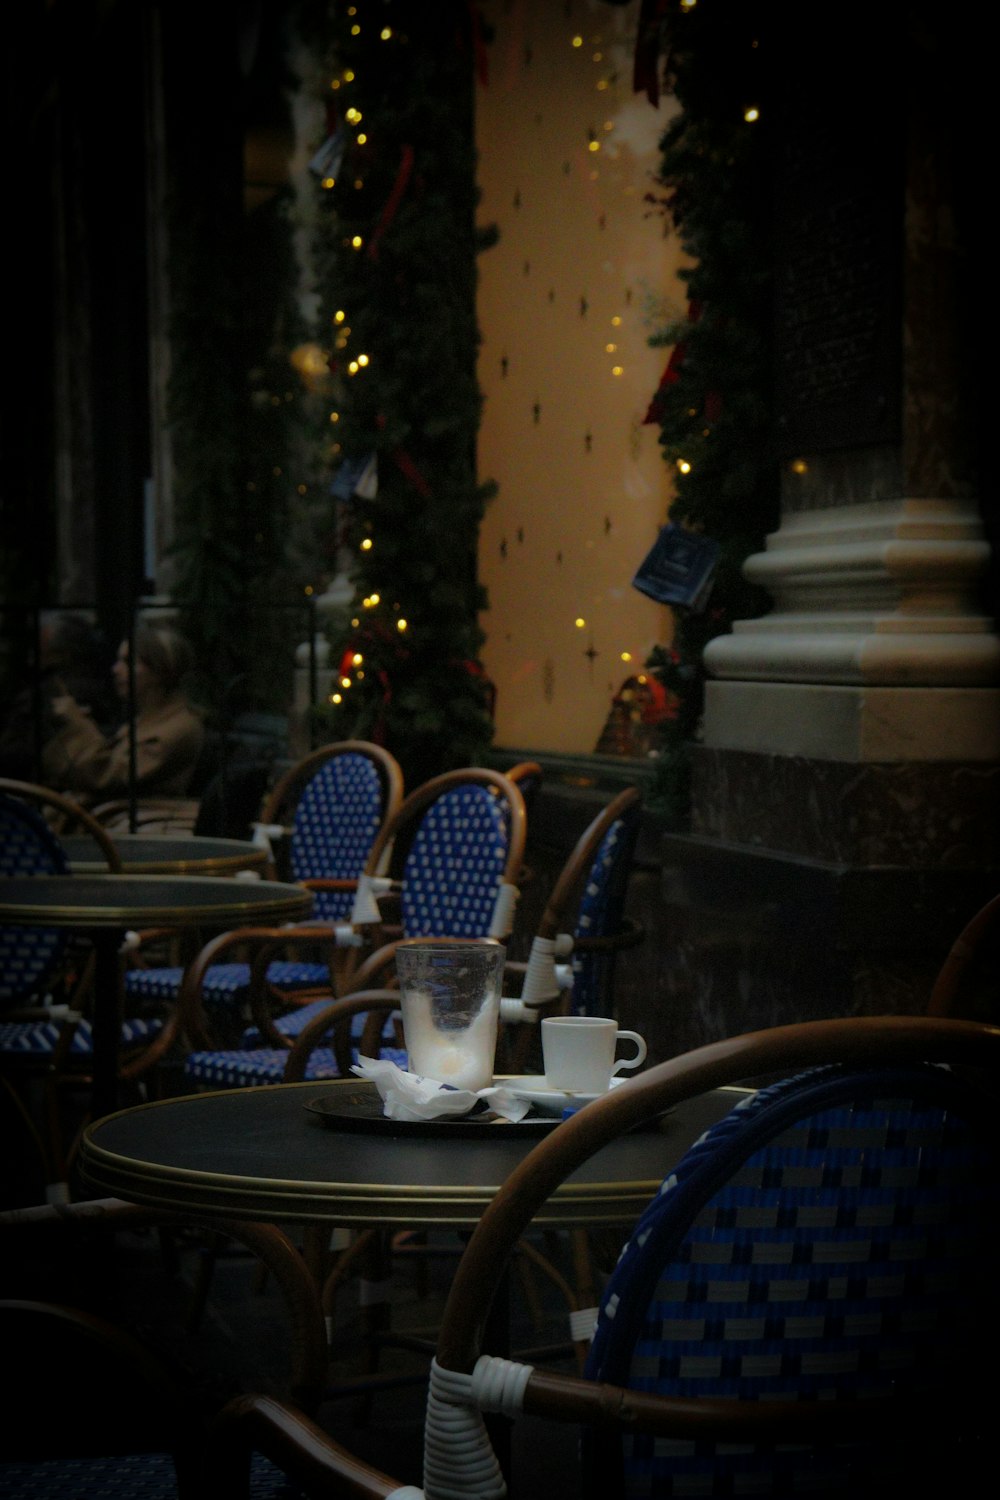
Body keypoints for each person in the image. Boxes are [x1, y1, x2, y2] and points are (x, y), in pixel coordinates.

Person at [41, 619, 205, 805]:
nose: (116, 670)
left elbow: (108, 776)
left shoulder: (178, 727)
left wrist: (78, 725)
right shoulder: (149, 718)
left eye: (128, 662)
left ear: (161, 670)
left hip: (131, 824)